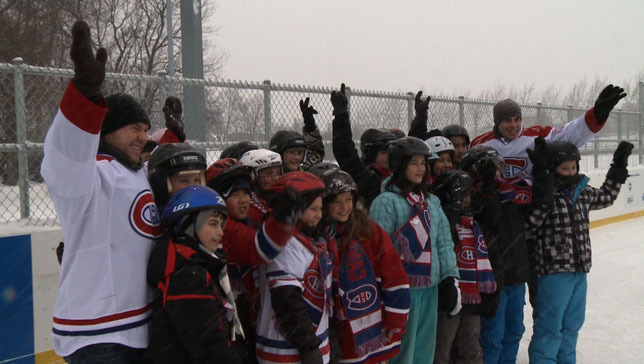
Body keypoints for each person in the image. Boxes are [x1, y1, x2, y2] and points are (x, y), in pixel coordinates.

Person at [470, 86, 627, 364]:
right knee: (503, 309)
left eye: (517, 119)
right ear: (497, 122)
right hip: (502, 233)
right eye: (507, 120)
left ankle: (546, 352)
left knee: (544, 306)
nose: (514, 125)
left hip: (536, 233)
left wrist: (598, 114)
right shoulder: (480, 145)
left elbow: (571, 134)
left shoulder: (535, 137)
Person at [41, 21, 157, 362]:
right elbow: (66, 154)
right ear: (107, 132)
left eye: (146, 130)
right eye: (134, 128)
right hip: (96, 332)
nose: (143, 137)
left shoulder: (139, 172)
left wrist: (175, 139)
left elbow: (171, 169)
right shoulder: (89, 178)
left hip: (140, 322)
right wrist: (86, 93)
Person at [526, 140, 632, 364]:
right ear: (552, 168)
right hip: (553, 271)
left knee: (572, 325)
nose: (571, 172)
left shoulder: (582, 192)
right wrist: (544, 195)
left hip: (579, 269)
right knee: (550, 326)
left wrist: (618, 166)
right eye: (565, 168)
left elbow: (606, 196)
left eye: (574, 167)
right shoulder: (545, 196)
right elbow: (530, 226)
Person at [369, 136, 460, 364]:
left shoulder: (432, 202)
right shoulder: (386, 202)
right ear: (400, 165)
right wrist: (383, 287)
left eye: (424, 163)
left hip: (430, 287)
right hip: (400, 290)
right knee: (402, 352)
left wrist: (450, 278)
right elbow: (378, 249)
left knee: (424, 352)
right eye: (414, 163)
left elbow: (443, 243)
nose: (421, 169)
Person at [319, 168, 410, 364]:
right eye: (336, 201)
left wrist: (396, 319)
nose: (344, 207)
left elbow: (394, 276)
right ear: (324, 203)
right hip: (338, 330)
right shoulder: (319, 237)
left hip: (374, 328)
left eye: (348, 200)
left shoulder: (369, 231)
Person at [147, 186, 243, 364]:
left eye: (221, 225)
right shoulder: (188, 275)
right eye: (213, 223)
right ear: (187, 224)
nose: (220, 232)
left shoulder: (194, 263)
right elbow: (209, 344)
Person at [255, 172, 333, 364]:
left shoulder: (314, 239)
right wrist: (308, 347)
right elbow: (287, 302)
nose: (318, 215)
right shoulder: (285, 246)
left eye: (320, 208)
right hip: (284, 350)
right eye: (312, 209)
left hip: (314, 342)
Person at [430, 170, 498, 364]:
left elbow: (491, 261)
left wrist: (492, 291)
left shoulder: (475, 225)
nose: (465, 200)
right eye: (460, 195)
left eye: (468, 195)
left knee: (472, 348)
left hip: (472, 300)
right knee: (441, 350)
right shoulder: (443, 224)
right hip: (448, 299)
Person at [330, 83, 403, 209]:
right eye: (384, 153)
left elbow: (414, 152)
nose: (389, 157)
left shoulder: (398, 174)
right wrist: (341, 115)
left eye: (391, 152)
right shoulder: (365, 177)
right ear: (370, 154)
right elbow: (344, 150)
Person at [148, 143, 207, 211]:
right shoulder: (153, 215)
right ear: (161, 184)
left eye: (197, 179)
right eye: (184, 180)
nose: (192, 186)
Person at [239, 148, 284, 229]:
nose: (275, 178)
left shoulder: (277, 198)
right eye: (268, 173)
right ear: (251, 176)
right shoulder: (248, 208)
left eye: (278, 172)